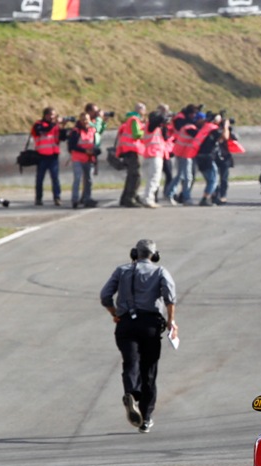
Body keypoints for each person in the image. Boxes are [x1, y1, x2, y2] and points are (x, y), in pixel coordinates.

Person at [100, 239, 177, 433]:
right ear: (154, 255)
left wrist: (115, 314)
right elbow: (170, 298)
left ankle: (131, 393)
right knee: (149, 371)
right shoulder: (160, 272)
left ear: (134, 253)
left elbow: (105, 296)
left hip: (126, 325)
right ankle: (146, 418)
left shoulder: (122, 270)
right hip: (150, 325)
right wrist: (171, 321)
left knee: (131, 362)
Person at [31, 107, 65, 206]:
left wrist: (62, 126)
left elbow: (62, 138)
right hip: (41, 155)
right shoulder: (38, 124)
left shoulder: (55, 126)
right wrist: (54, 123)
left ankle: (57, 197)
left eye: (54, 115)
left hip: (53, 156)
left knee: (55, 178)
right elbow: (43, 130)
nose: (52, 117)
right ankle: (38, 198)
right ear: (46, 115)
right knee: (40, 178)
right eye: (51, 115)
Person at [138, 104, 170, 208]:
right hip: (154, 154)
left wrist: (164, 124)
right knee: (154, 179)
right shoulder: (151, 125)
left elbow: (165, 137)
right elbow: (156, 121)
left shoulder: (156, 128)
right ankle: (148, 199)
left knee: (151, 179)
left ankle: (146, 197)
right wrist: (163, 115)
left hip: (152, 154)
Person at [194, 113, 228, 207]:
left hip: (199, 156)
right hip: (207, 157)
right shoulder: (213, 129)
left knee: (210, 179)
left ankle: (211, 197)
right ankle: (205, 198)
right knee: (213, 180)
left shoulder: (205, 128)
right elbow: (225, 137)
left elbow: (218, 140)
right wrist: (225, 127)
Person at [116, 103, 146, 207]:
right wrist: (145, 132)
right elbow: (136, 134)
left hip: (128, 150)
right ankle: (130, 197)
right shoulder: (134, 119)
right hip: (133, 149)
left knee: (131, 175)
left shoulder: (129, 119)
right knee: (135, 175)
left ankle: (126, 197)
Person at [67, 112, 98, 209]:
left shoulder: (92, 130)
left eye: (87, 119)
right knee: (78, 178)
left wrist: (94, 152)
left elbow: (94, 144)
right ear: (80, 120)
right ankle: (74, 199)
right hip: (78, 158)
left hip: (89, 159)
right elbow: (72, 146)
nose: (85, 121)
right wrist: (85, 150)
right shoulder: (76, 131)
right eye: (83, 119)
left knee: (89, 180)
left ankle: (87, 198)